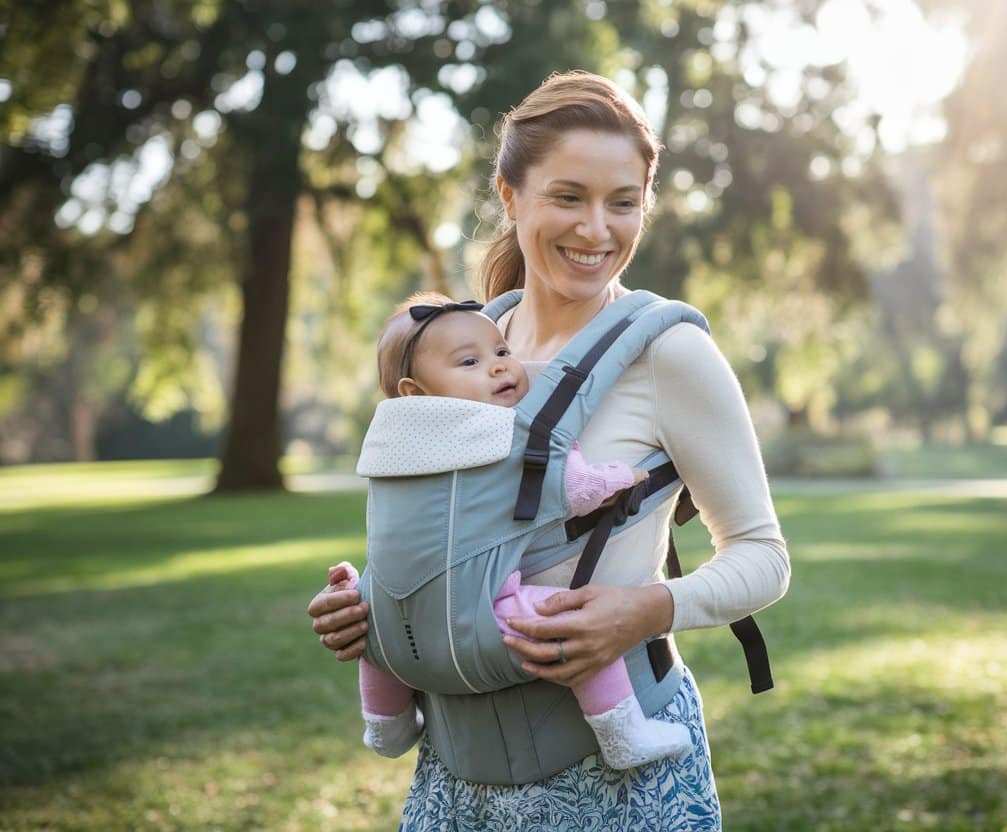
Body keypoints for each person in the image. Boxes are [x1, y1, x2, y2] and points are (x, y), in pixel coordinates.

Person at [307, 70, 790, 830]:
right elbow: (447, 517)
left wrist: (644, 610)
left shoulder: (668, 353)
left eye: (622, 203)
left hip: (614, 779)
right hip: (454, 778)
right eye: (568, 197)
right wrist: (368, 603)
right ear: (510, 195)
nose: (597, 230)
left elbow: (764, 555)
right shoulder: (458, 350)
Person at [338, 290, 693, 770]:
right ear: (414, 394)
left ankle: (386, 724)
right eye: (470, 361)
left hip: (390, 615)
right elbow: (572, 485)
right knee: (572, 631)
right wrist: (622, 478)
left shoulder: (389, 453)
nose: (499, 367)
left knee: (375, 628)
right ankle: (623, 732)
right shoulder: (499, 442)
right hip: (481, 615)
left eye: (502, 351)